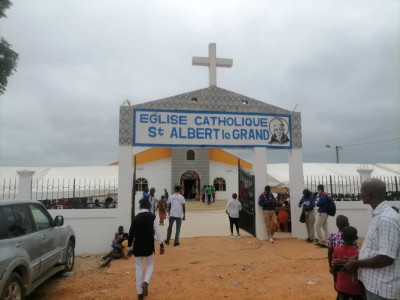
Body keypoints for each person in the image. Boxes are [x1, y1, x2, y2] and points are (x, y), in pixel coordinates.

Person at [342, 178, 400, 300]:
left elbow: (387, 257)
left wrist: (357, 263)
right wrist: (358, 258)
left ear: (369, 195)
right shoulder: (379, 215)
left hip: (382, 287)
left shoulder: (385, 219)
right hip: (374, 283)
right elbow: (377, 248)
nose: (360, 194)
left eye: (362, 191)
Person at [128, 198, 164, 300]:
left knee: (138, 268)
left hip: (137, 247)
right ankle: (146, 282)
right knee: (150, 264)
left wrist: (130, 248)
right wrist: (161, 244)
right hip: (149, 247)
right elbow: (158, 232)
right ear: (149, 206)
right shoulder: (152, 217)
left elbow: (131, 234)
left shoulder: (136, 218)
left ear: (140, 206)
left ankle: (139, 293)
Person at [326, 215, 357, 291]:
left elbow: (329, 253)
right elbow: (355, 251)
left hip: (336, 262)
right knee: (349, 278)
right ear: (348, 224)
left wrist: (330, 266)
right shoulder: (352, 234)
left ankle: (338, 290)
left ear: (337, 224)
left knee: (337, 279)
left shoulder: (332, 235)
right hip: (350, 262)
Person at [332, 226, 363, 300]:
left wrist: (335, 282)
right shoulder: (357, 253)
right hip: (355, 287)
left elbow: (335, 268)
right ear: (356, 238)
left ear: (342, 237)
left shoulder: (336, 249)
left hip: (341, 285)